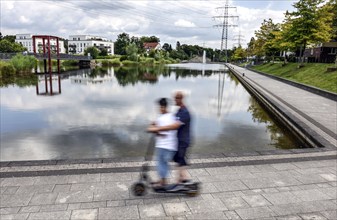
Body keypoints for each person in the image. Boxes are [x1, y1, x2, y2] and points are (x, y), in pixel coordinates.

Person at [148, 91, 192, 190]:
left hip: (182, 141)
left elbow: (174, 126)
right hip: (178, 141)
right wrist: (156, 125)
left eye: (176, 98)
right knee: (178, 160)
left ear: (180, 99)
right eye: (174, 98)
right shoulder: (178, 112)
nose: (174, 100)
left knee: (177, 160)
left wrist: (157, 129)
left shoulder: (184, 112)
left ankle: (182, 181)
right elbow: (171, 122)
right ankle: (181, 181)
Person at [147, 98, 177, 188]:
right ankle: (163, 180)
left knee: (161, 163)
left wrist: (153, 128)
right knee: (163, 163)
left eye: (159, 107)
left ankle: (163, 182)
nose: (159, 109)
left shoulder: (162, 118)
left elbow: (158, 131)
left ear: (163, 107)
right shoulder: (171, 116)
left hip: (164, 146)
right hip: (171, 146)